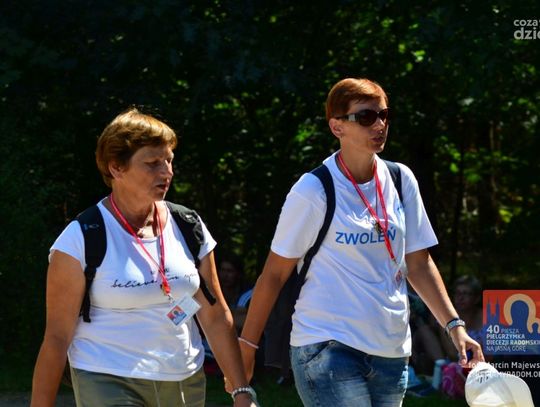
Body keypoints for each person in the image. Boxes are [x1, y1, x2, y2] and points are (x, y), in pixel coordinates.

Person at [237, 78, 484, 406]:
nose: (379, 125)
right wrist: (247, 349)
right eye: (366, 117)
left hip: (391, 351)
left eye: (384, 115)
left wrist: (455, 327)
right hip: (327, 347)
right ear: (336, 126)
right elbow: (273, 275)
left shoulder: (401, 179)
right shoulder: (313, 190)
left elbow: (418, 264)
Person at [31, 108, 257, 407]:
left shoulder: (188, 226)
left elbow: (215, 315)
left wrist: (242, 391)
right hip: (107, 376)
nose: (166, 172)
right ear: (116, 168)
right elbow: (57, 337)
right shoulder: (80, 238)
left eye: (169, 160)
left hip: (183, 378)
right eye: (152, 163)